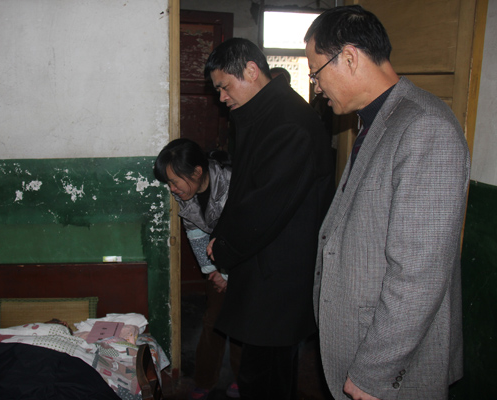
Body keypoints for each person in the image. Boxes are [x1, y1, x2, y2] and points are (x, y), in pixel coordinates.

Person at [304, 6, 470, 400]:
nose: (317, 87)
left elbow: (418, 275)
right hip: (361, 339)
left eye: (316, 72)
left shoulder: (425, 127)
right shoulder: (378, 120)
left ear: (349, 57)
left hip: (391, 366)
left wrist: (373, 372)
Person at [204, 38, 335, 400]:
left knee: (266, 380)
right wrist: (222, 235)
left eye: (224, 87)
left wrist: (225, 248)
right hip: (266, 268)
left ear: (251, 70)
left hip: (279, 277)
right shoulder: (264, 115)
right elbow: (244, 188)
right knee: (264, 374)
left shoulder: (287, 123)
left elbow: (265, 206)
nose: (222, 98)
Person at [153, 138, 242, 399]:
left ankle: (244, 379)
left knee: (242, 324)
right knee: (213, 321)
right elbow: (195, 232)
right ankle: (205, 379)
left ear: (197, 172)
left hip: (246, 262)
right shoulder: (185, 193)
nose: (172, 189)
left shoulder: (233, 184)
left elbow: (244, 235)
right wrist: (211, 271)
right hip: (217, 263)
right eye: (168, 183)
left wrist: (227, 274)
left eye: (174, 181)